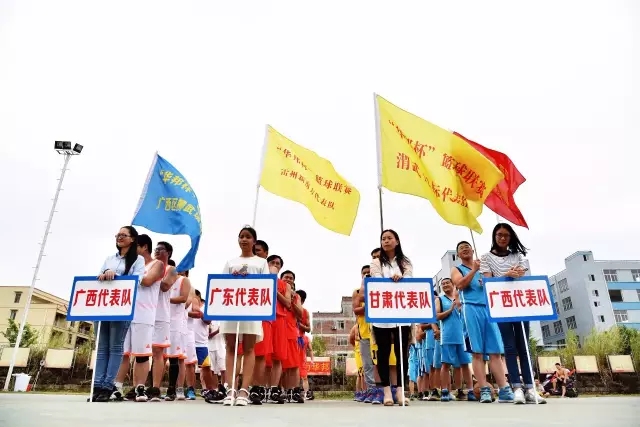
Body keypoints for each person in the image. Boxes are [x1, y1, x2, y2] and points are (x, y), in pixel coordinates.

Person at [480, 223, 546, 405]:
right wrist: (506, 275)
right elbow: (487, 281)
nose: (503, 238)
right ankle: (516, 387)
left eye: (506, 235)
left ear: (511, 237)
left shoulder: (518, 256)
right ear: (494, 236)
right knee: (509, 347)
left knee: (524, 346)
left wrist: (513, 274)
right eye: (499, 235)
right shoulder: (486, 258)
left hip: (520, 303)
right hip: (501, 305)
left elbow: (522, 273)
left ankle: (530, 388)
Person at [451, 239, 513, 404]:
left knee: (495, 352)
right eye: (461, 248)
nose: (465, 249)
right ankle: (484, 389)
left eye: (467, 247)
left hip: (488, 309)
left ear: (473, 250)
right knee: (477, 352)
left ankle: (504, 389)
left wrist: (507, 274)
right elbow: (460, 284)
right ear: (458, 254)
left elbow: (494, 284)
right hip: (470, 309)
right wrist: (474, 270)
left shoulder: (484, 267)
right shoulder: (457, 269)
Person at [92, 226, 145, 402]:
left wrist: (117, 275)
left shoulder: (138, 260)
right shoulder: (109, 258)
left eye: (124, 235)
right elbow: (99, 277)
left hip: (122, 306)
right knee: (102, 348)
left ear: (132, 239)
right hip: (103, 306)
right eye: (118, 235)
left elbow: (138, 280)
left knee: (115, 347)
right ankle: (97, 386)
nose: (119, 237)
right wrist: (104, 274)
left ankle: (107, 386)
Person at [220, 225, 268, 406]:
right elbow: (222, 285)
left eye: (248, 237)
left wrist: (250, 280)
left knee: (248, 349)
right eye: (241, 236)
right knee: (231, 347)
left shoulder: (261, 263)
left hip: (251, 309)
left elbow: (266, 286)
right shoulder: (230, 262)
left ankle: (244, 390)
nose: (244, 239)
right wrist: (234, 278)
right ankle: (231, 389)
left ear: (254, 241)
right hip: (232, 308)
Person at [113, 234, 165, 402]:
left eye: (134, 246)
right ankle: (116, 387)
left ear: (144, 247)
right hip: (126, 312)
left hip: (144, 315)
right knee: (123, 353)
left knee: (142, 354)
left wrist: (129, 274)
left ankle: (140, 388)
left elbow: (148, 281)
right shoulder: (130, 264)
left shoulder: (157, 264)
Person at [369, 229, 412, 406]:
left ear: (397, 241)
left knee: (402, 353)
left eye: (389, 238)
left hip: (401, 313)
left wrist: (401, 278)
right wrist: (390, 281)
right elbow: (377, 280)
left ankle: (400, 391)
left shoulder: (405, 261)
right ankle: (387, 391)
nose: (386, 241)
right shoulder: (376, 262)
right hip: (382, 313)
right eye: (383, 238)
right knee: (384, 353)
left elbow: (409, 278)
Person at [435, 278, 473, 402]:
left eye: (447, 283)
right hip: (447, 336)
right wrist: (450, 310)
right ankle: (445, 391)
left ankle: (469, 390)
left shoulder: (460, 297)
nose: (445, 285)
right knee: (446, 364)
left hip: (462, 336)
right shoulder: (440, 299)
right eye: (443, 284)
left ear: (453, 284)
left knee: (464, 364)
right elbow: (436, 316)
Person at [148, 242, 177, 402]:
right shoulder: (148, 267)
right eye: (156, 249)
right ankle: (139, 387)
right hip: (146, 313)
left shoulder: (171, 270)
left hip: (161, 315)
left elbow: (165, 286)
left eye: (160, 249)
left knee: (158, 352)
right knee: (142, 352)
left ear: (168, 252)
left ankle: (155, 388)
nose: (157, 252)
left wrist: (151, 277)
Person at [266, 254, 291, 404]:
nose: (275, 265)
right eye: (272, 262)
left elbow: (287, 303)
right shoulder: (261, 279)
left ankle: (274, 389)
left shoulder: (284, 285)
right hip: (264, 319)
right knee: (262, 356)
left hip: (279, 320)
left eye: (278, 264)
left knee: (278, 356)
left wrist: (274, 288)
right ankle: (260, 388)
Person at [352, 260, 378, 403]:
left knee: (380, 363)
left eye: (369, 273)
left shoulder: (381, 290)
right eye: (364, 273)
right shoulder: (357, 292)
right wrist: (370, 305)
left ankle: (383, 390)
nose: (367, 275)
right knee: (367, 364)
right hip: (364, 332)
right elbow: (356, 310)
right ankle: (371, 390)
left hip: (379, 331)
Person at [164, 269, 191, 401]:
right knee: (160, 357)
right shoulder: (163, 282)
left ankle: (176, 388)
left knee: (177, 358)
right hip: (163, 322)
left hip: (177, 324)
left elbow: (186, 301)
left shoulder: (184, 282)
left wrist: (165, 299)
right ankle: (155, 388)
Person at [251, 241, 272, 404]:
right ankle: (236, 387)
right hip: (244, 315)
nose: (255, 253)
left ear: (265, 254)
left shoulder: (267, 273)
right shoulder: (241, 267)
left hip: (262, 317)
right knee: (242, 352)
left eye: (258, 251)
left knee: (259, 355)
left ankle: (256, 388)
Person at [184, 284, 200, 400]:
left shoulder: (192, 296)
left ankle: (190, 389)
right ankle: (174, 388)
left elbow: (198, 313)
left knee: (189, 363)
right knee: (173, 361)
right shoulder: (170, 291)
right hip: (173, 330)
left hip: (187, 333)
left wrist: (185, 313)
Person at [204, 320, 226, 403]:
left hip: (221, 346)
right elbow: (207, 335)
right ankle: (216, 390)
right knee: (212, 370)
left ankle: (224, 389)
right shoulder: (209, 320)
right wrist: (217, 331)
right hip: (210, 346)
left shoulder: (222, 319)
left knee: (223, 369)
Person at [296, 290, 311, 400]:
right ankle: (289, 391)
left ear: (303, 301)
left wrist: (299, 325)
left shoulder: (305, 313)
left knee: (302, 371)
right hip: (287, 339)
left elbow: (309, 329)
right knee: (287, 368)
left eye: (298, 299)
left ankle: (305, 393)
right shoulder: (289, 308)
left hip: (299, 342)